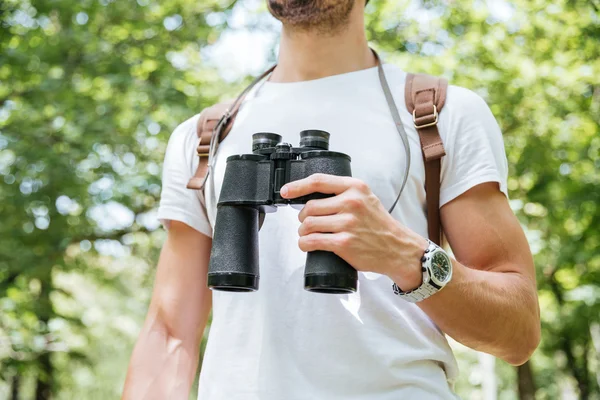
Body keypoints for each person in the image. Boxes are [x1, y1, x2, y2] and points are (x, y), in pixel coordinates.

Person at [122, 0, 541, 398]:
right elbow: (170, 333)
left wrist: (406, 257)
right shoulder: (205, 136)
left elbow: (518, 332)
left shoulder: (443, 114)